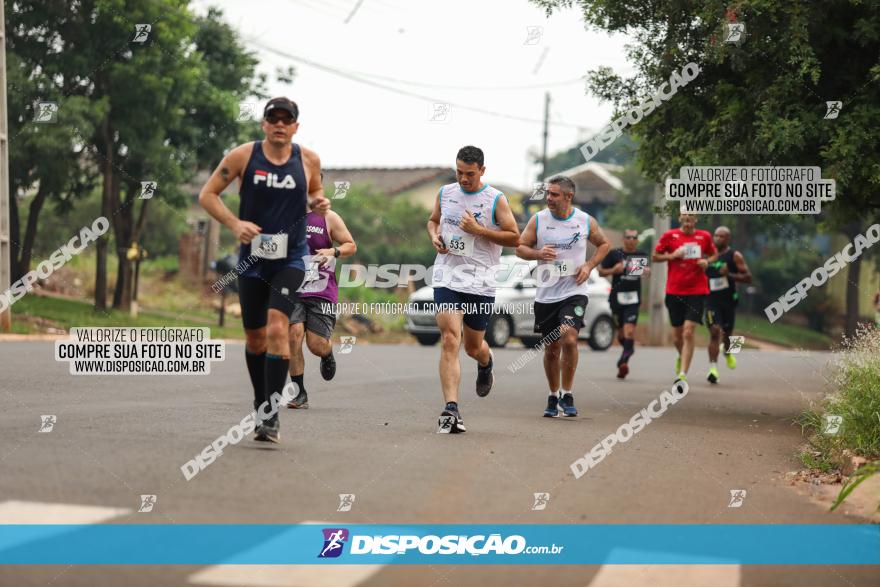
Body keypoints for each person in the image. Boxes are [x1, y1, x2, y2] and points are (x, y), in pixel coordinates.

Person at [199, 97, 330, 443]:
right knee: (255, 338)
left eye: (287, 120)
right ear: (264, 123)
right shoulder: (244, 155)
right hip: (252, 259)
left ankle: (270, 415)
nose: (280, 124)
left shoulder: (308, 159)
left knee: (277, 326)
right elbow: (208, 195)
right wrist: (234, 223)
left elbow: (316, 191)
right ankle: (261, 401)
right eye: (274, 118)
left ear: (295, 127)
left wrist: (318, 202)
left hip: (292, 258)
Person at [427, 145, 520, 433]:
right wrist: (435, 236)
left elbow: (514, 238)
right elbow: (433, 221)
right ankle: (451, 409)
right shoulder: (445, 193)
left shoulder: (495, 199)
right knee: (450, 339)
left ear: (482, 170)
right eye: (459, 172)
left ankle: (485, 360)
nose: (464, 178)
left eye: (469, 173)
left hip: (480, 281)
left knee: (472, 346)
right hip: (447, 276)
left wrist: (480, 230)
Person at [516, 175, 610, 417]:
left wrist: (589, 266)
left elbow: (604, 244)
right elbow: (520, 248)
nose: (549, 198)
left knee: (569, 338)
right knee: (551, 348)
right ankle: (553, 394)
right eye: (548, 193)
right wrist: (537, 253)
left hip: (574, 292)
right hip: (546, 295)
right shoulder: (539, 220)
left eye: (554, 194)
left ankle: (568, 393)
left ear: (569, 196)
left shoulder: (584, 221)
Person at [286, 209, 357, 408]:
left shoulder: (329, 217)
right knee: (294, 334)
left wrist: (333, 251)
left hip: (321, 290)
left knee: (316, 345)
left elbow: (351, 246)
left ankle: (327, 353)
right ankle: (299, 393)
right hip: (292, 288)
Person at [652, 212, 716, 393]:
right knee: (677, 336)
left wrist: (706, 261)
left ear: (696, 219)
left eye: (691, 218)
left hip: (697, 290)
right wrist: (672, 255)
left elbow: (713, 255)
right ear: (680, 219)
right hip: (674, 291)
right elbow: (655, 256)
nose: (688, 222)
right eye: (685, 218)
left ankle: (682, 375)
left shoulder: (704, 236)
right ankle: (682, 356)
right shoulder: (670, 236)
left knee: (688, 332)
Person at [599, 228, 649, 379]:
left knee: (629, 330)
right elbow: (601, 272)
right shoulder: (614, 254)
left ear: (637, 240)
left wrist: (646, 271)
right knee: (621, 334)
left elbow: (645, 271)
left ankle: (623, 362)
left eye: (634, 238)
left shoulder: (641, 255)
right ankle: (629, 348)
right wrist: (614, 270)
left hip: (633, 300)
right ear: (623, 239)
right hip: (616, 299)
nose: (631, 240)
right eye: (628, 237)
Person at [705, 226, 751, 384]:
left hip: (729, 300)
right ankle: (713, 369)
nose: (717, 238)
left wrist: (729, 275)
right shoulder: (707, 255)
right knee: (714, 331)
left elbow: (748, 277)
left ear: (727, 239)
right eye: (715, 235)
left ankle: (728, 352)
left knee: (728, 334)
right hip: (711, 300)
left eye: (721, 236)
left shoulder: (734, 255)